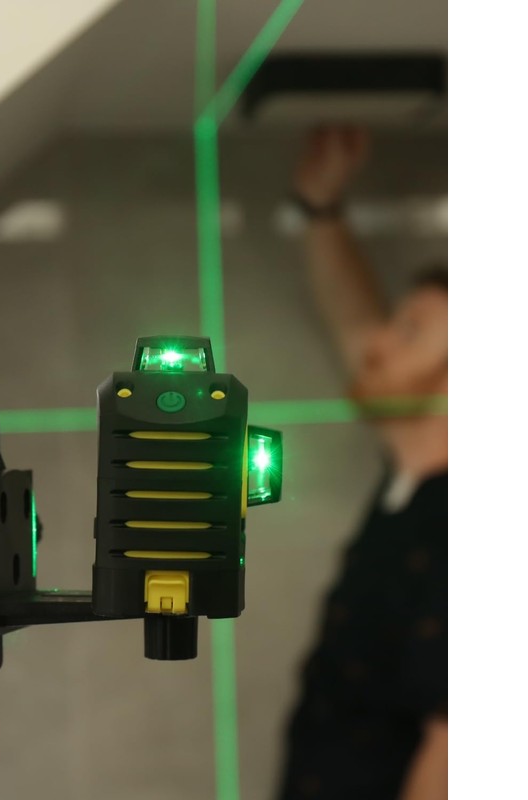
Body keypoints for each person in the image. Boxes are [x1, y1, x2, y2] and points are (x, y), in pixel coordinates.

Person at [276, 126, 448, 800]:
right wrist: (321, 208)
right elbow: (359, 335)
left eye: (409, 331)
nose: (377, 340)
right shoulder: (410, 480)